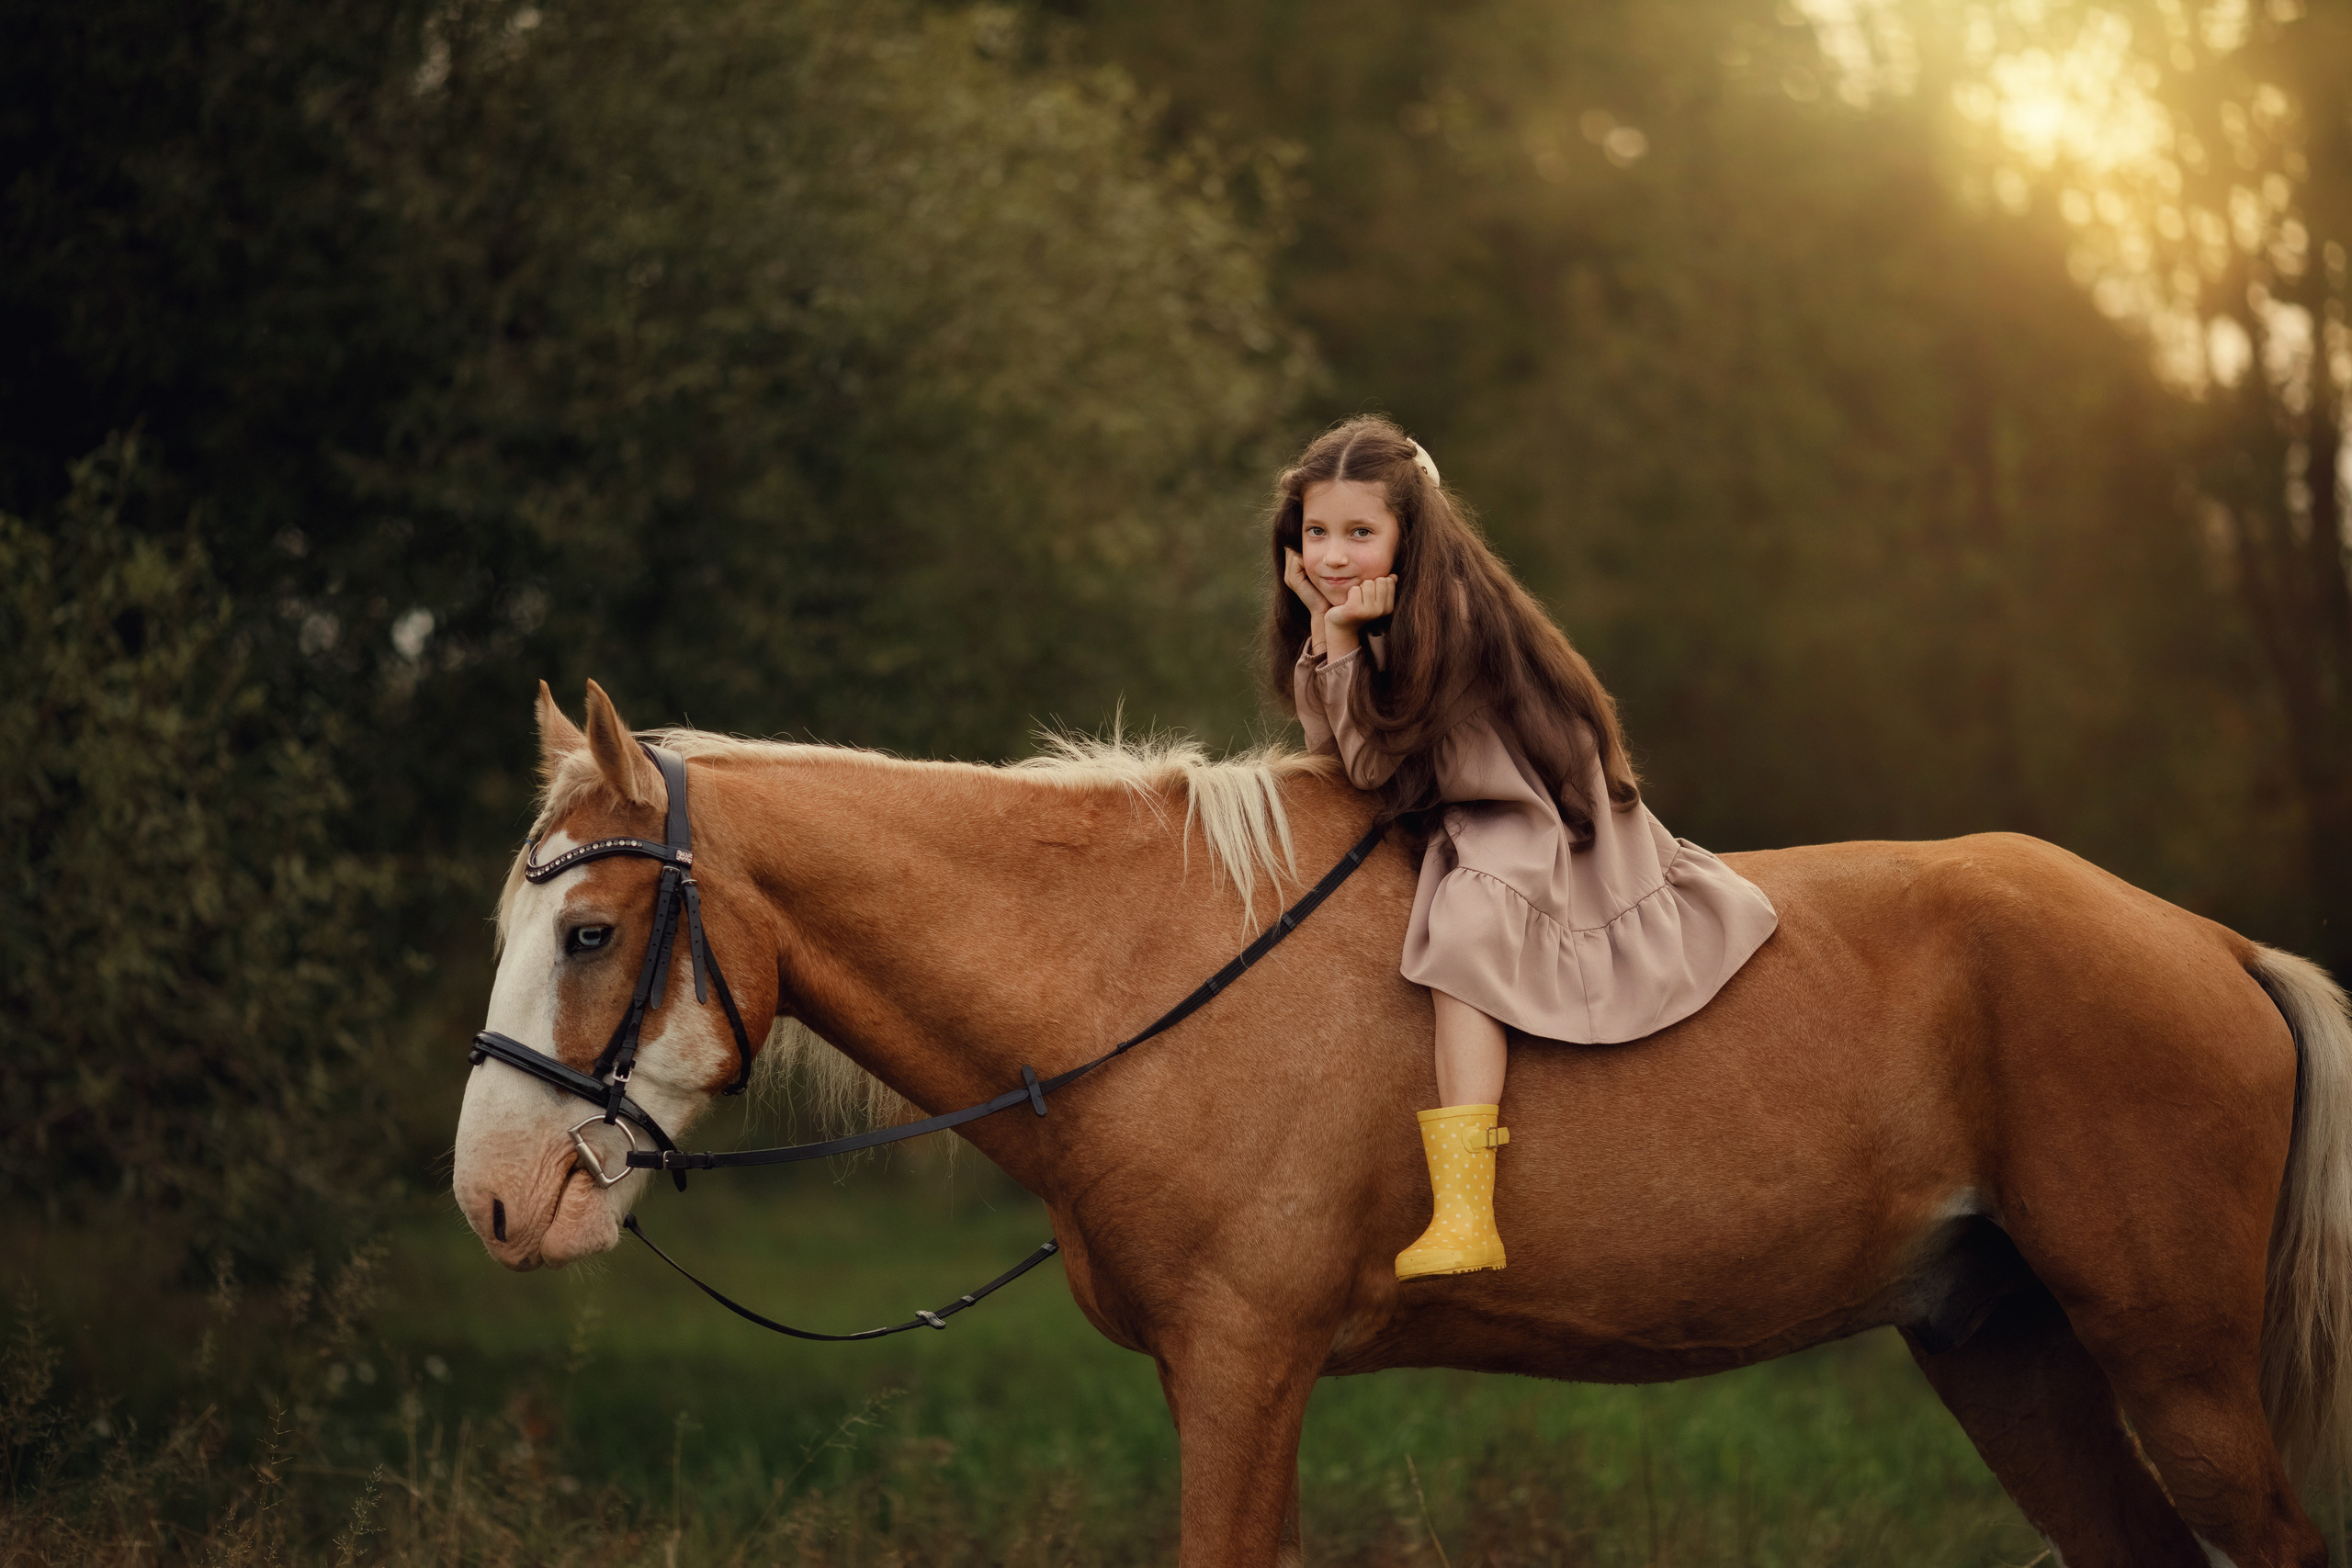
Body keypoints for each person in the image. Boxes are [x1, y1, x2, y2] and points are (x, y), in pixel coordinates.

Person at [1272, 417, 1779, 1280]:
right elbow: (1332, 752)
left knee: (1467, 931)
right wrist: (1330, 632)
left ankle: (1466, 1209)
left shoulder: (1445, 613)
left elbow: (1364, 765)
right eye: (1316, 532)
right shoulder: (1356, 611)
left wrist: (1342, 637)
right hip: (1449, 798)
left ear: (1409, 533)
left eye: (1360, 532)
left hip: (1529, 802)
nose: (1333, 554)